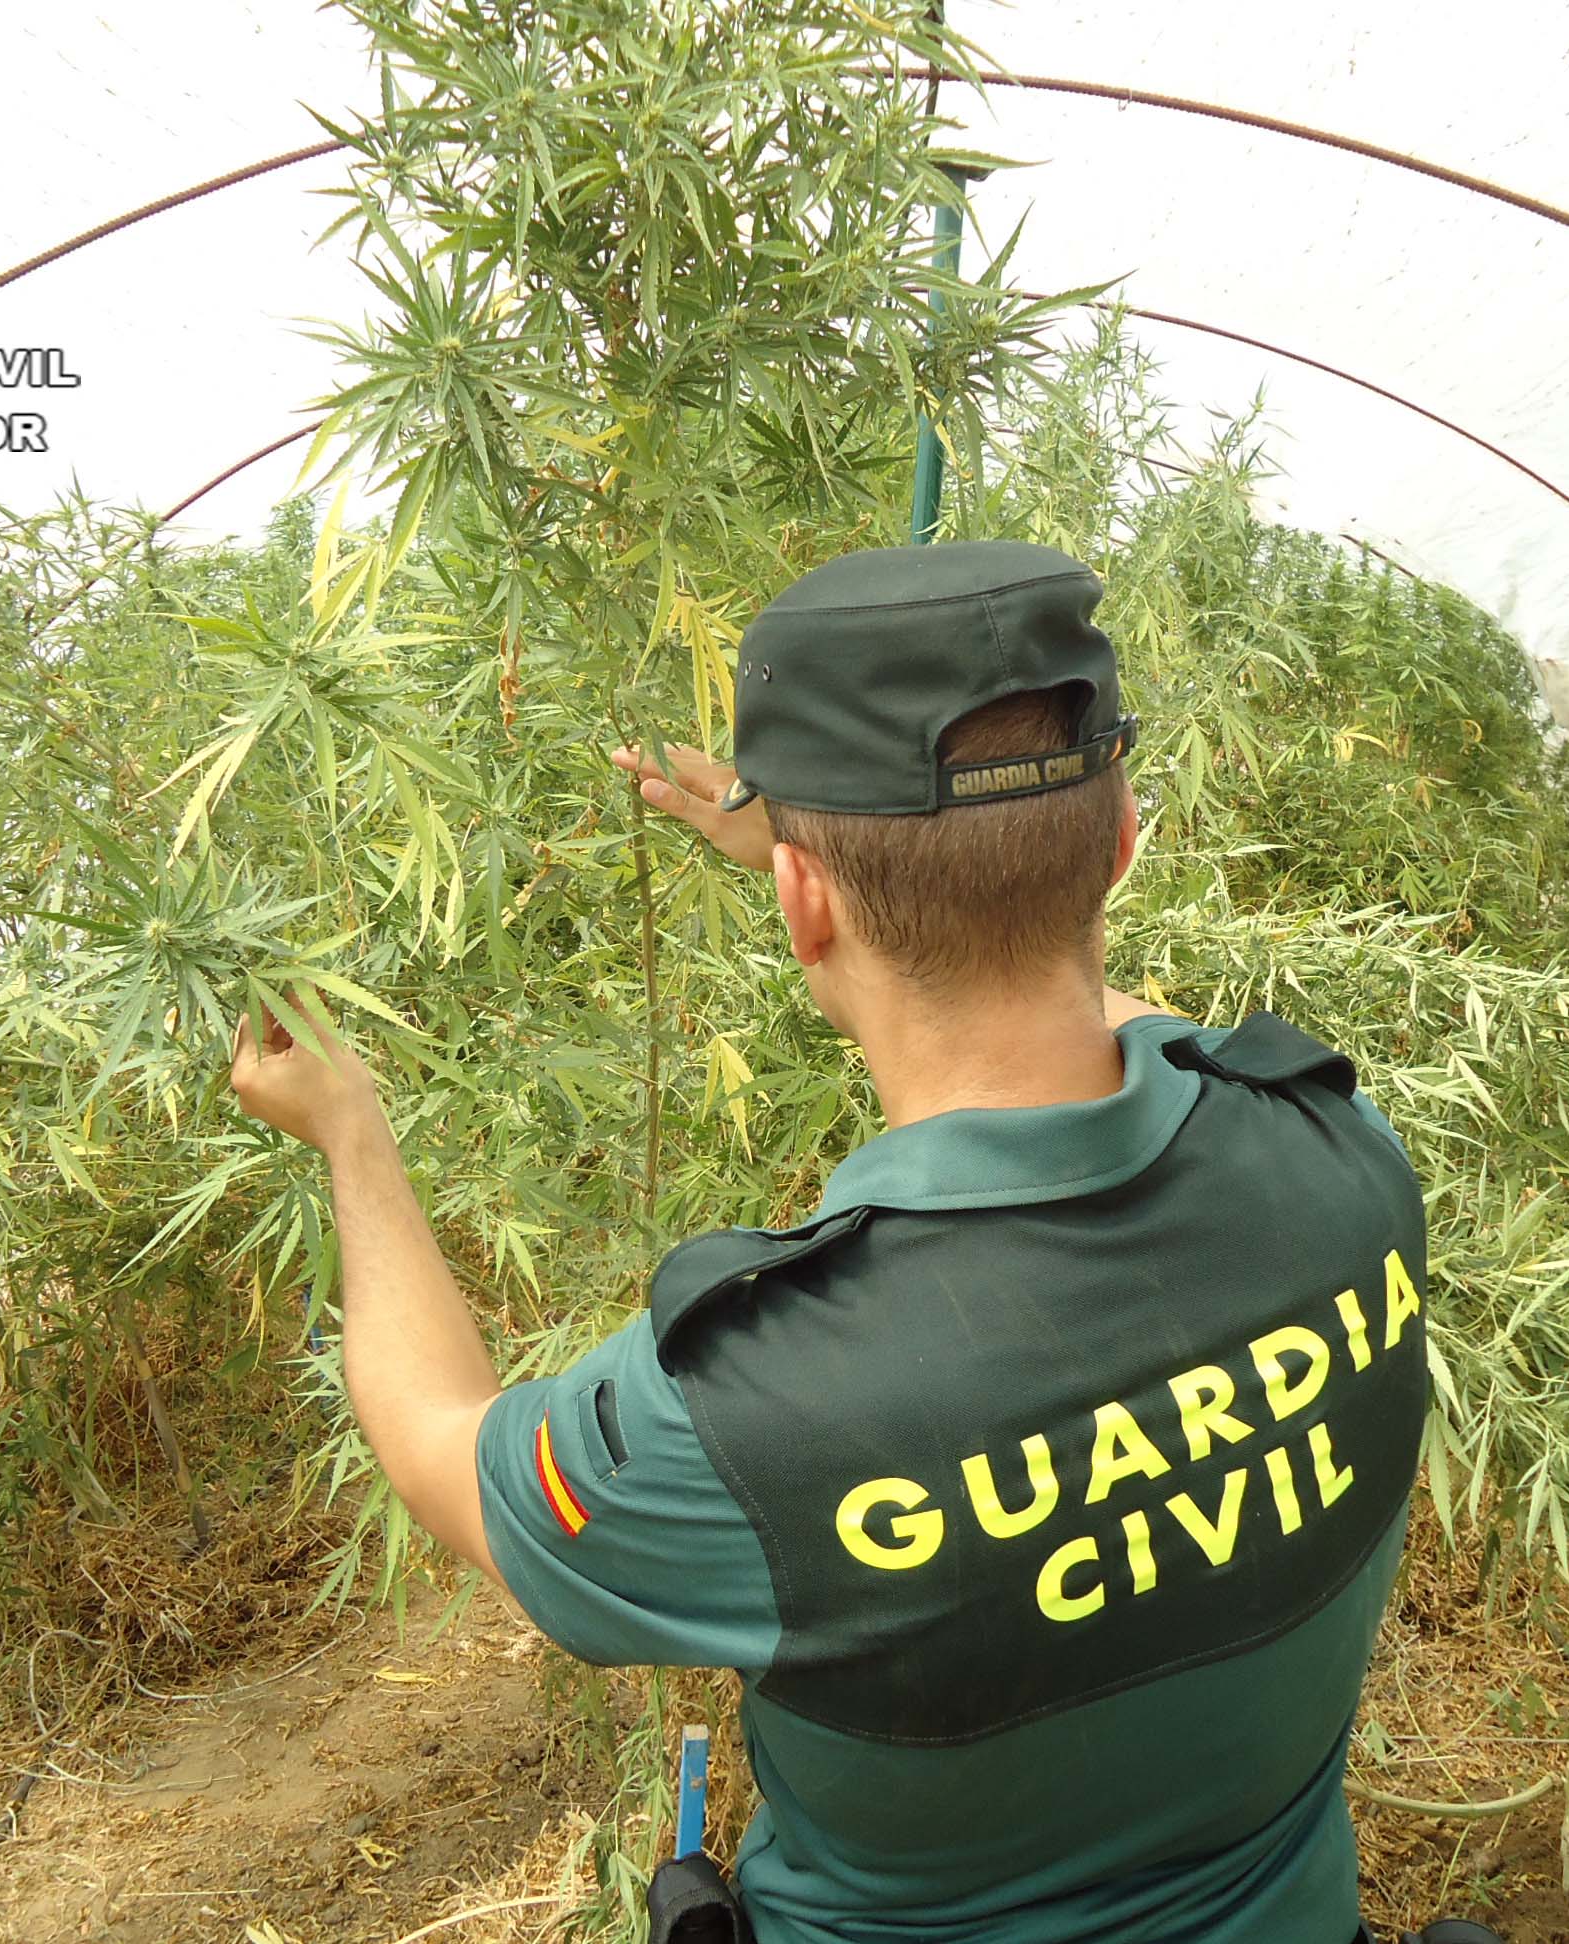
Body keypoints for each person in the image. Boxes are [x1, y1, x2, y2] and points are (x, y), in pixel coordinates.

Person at [228, 540, 1438, 1944]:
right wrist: (841, 860)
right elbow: (1128, 1034)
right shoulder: (1342, 1159)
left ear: (800, 904)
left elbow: (445, 1442)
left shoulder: (748, 1414)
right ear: (1118, 846)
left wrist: (354, 1143)